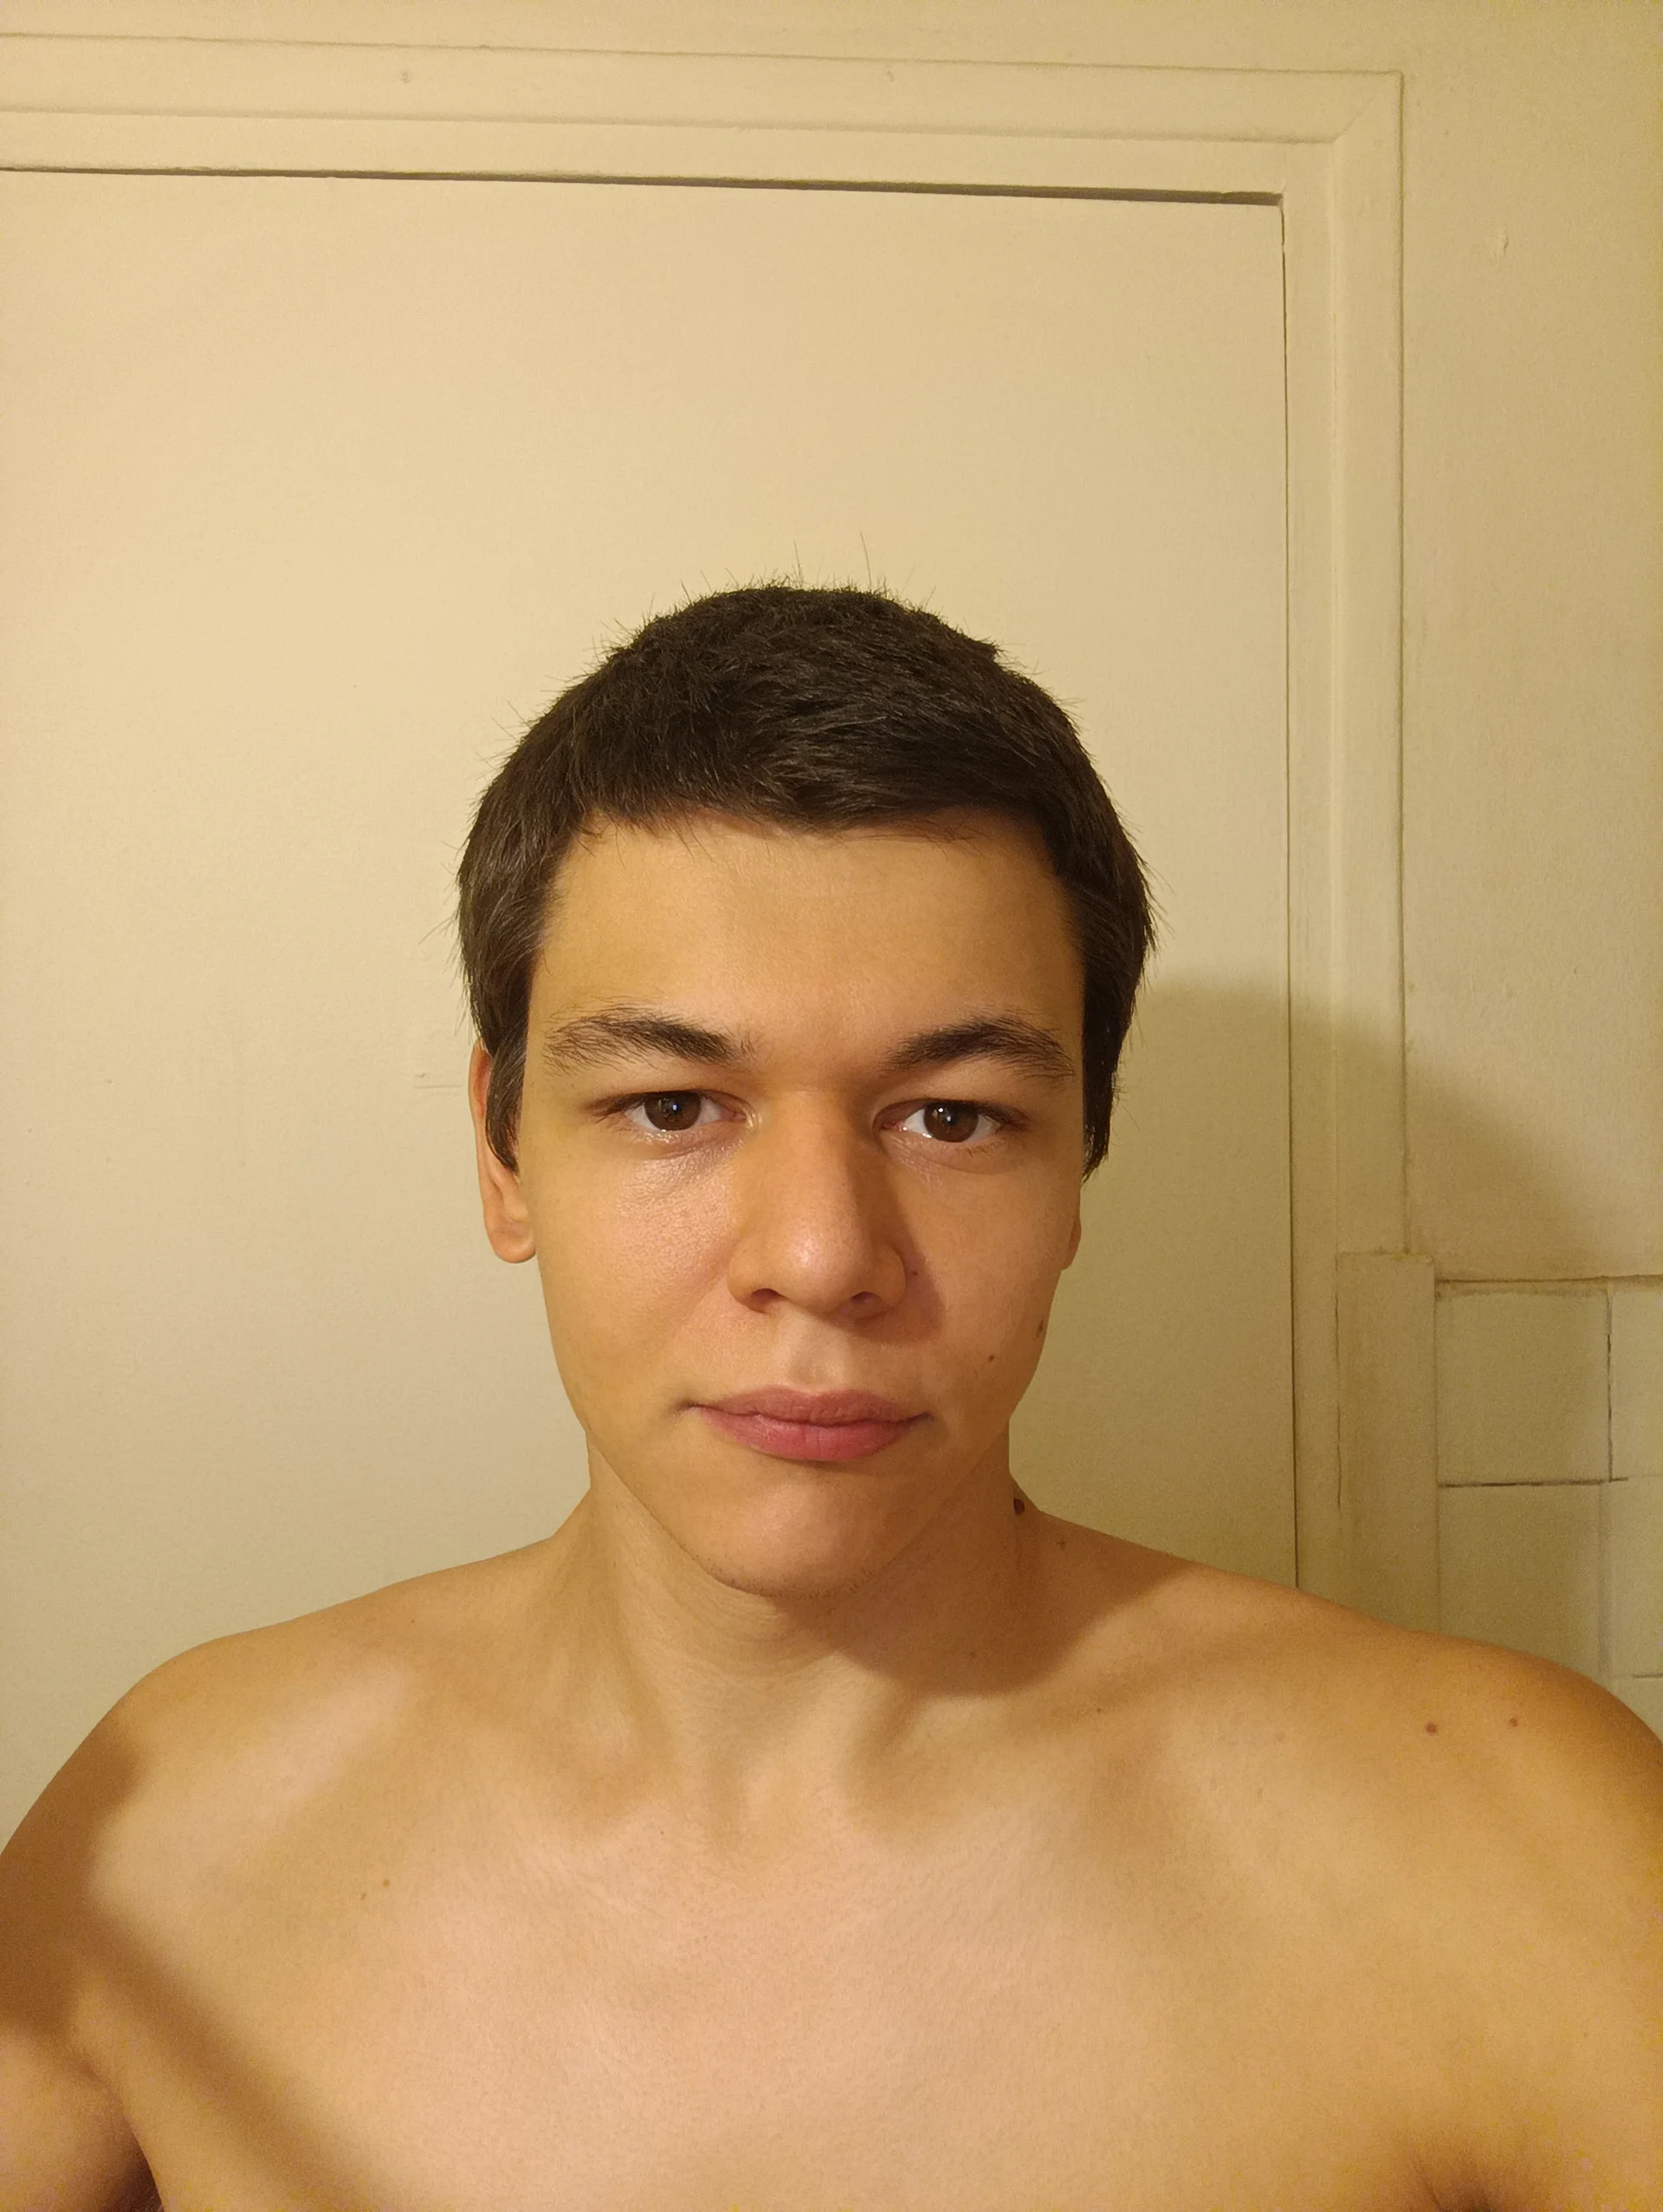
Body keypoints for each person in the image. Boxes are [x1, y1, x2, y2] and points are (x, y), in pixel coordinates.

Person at [1, 583, 1658, 2212]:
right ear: (503, 1155)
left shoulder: (1501, 1848)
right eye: (672, 1105)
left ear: (1081, 1163)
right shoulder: (177, 1844)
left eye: (953, 1116)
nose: (819, 1256)